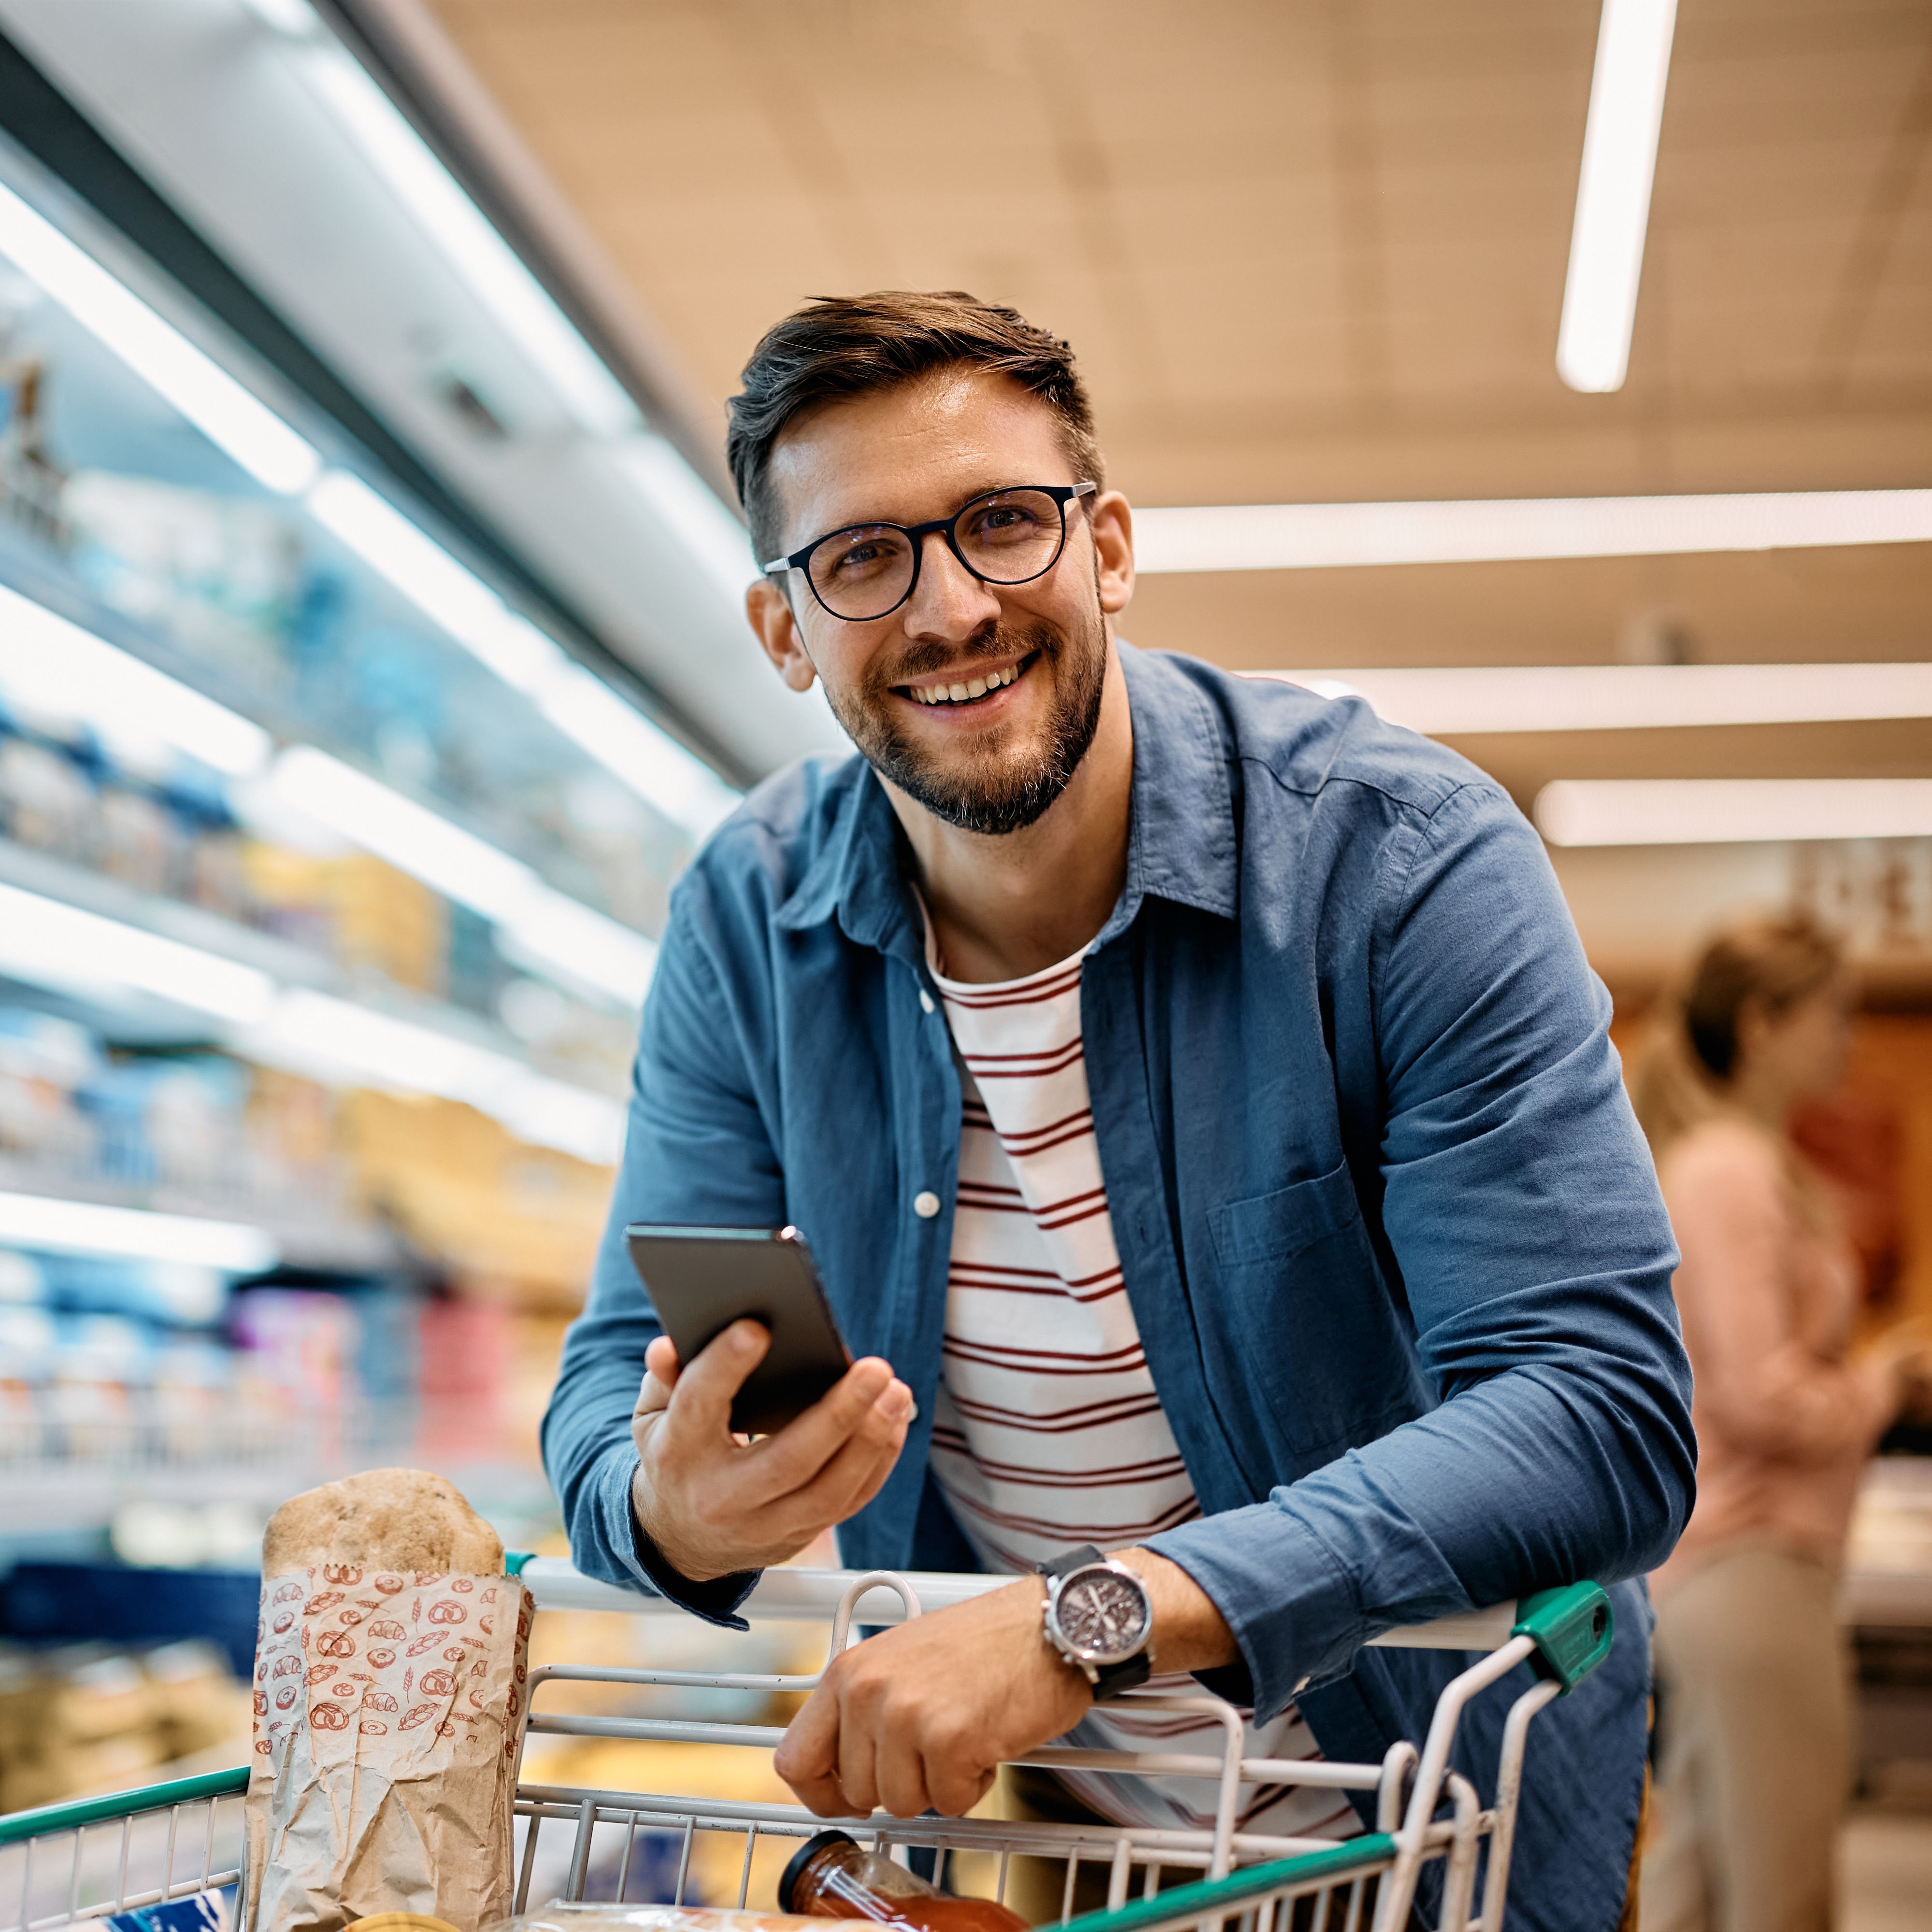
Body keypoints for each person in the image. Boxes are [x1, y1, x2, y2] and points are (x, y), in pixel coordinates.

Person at [542, 291, 1695, 1932]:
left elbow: (1602, 1410)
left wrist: (1085, 1617)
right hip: (1051, 1850)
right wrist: (667, 1506)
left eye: (1004, 525)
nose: (950, 607)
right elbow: (606, 1386)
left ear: (1111, 546)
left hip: (1433, 1823)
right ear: (785, 630)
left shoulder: (1399, 866)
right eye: (863, 559)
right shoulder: (752, 919)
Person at [1631, 918, 1925, 1932]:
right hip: (1749, 1560)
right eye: (1831, 1013)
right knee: (1778, 1889)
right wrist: (1880, 1384)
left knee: (1708, 1879)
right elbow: (1759, 1393)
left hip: (1735, 1564)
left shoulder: (1744, 1160)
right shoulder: (1726, 1169)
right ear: (1762, 1024)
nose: (1847, 1036)